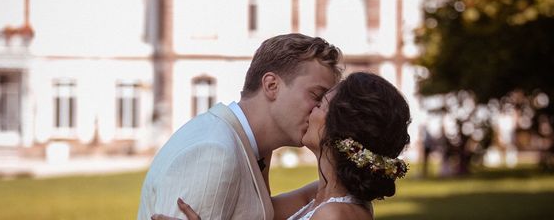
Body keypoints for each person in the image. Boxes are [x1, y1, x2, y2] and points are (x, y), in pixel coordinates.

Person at [137, 33, 343, 220]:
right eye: (316, 96)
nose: (321, 112)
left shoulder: (250, 149)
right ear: (271, 85)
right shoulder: (214, 152)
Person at [153, 72, 411, 220]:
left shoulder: (335, 215)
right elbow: (264, 213)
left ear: (339, 129)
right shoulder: (322, 193)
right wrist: (267, 130)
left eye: (321, 104)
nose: (312, 108)